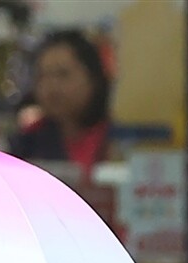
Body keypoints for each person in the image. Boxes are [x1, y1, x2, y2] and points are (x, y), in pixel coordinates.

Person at [11, 30, 112, 180]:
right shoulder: (27, 143)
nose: (51, 86)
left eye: (62, 74)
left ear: (93, 78)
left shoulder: (118, 137)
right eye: (43, 76)